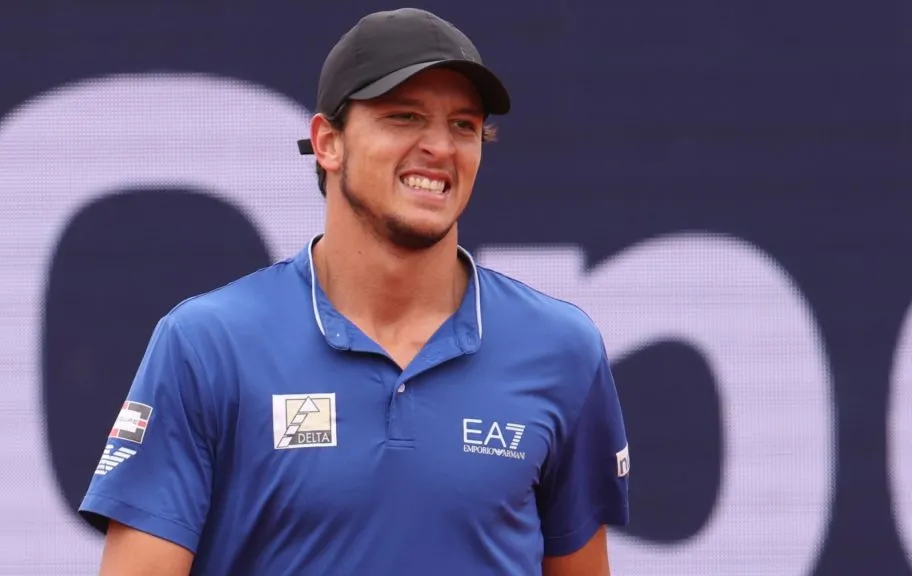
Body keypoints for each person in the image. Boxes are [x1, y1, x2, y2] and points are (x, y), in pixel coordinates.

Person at [78, 7, 630, 575]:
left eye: (464, 124)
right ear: (328, 142)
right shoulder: (206, 345)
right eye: (404, 117)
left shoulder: (562, 349)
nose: (440, 146)